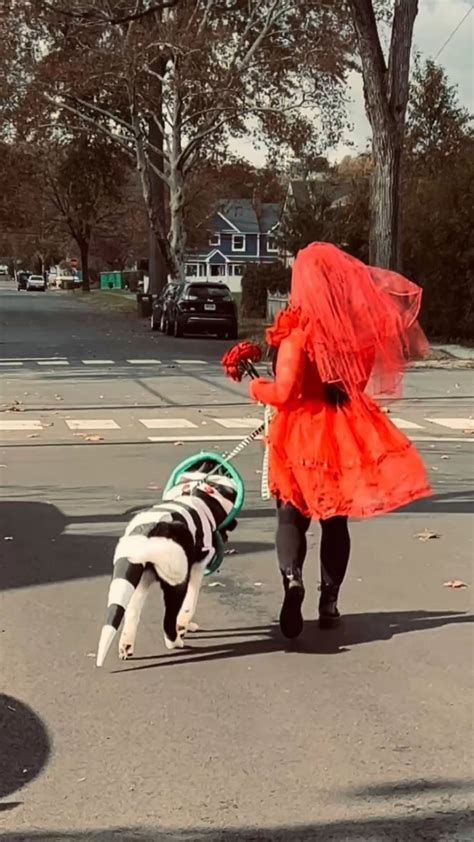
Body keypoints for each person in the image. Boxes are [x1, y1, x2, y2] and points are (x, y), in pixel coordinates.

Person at [248, 243, 432, 639]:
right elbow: (355, 384)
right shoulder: (354, 336)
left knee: (290, 515)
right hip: (342, 433)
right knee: (335, 521)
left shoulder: (296, 336)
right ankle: (329, 602)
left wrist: (255, 387)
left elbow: (283, 393)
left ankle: (291, 578)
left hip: (298, 434)